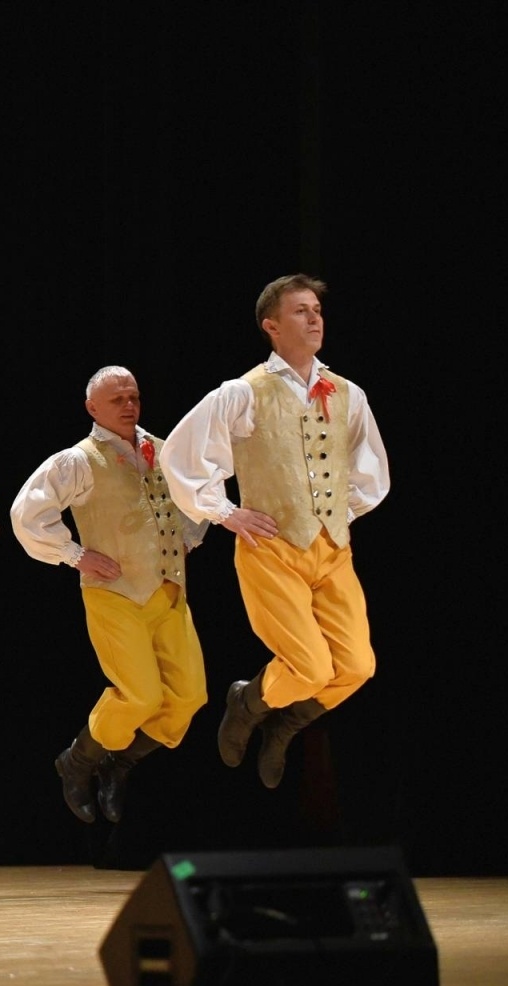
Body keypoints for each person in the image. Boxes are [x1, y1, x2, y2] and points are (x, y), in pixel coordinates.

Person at [160, 274, 389, 788]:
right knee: (308, 668)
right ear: (272, 326)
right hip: (271, 550)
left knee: (355, 667)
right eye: (301, 312)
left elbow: (368, 468)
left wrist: (337, 512)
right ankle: (246, 701)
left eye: (317, 311)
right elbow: (182, 456)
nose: (314, 319)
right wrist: (226, 512)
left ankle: (284, 724)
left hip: (332, 551)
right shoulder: (244, 393)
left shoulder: (347, 393)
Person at [9, 367, 208, 823]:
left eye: (133, 396)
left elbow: (196, 498)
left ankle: (121, 762)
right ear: (92, 408)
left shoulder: (163, 449)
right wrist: (74, 555)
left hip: (168, 592)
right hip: (115, 593)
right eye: (117, 399)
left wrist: (188, 537)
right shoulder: (80, 460)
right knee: (139, 696)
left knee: (188, 697)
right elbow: (27, 512)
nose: (128, 405)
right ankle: (77, 762)